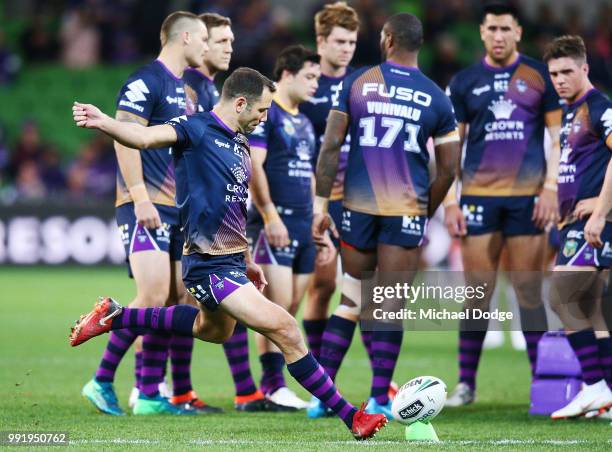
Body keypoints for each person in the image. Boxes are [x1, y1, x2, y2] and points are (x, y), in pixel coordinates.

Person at [69, 67, 388, 440]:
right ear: (240, 103)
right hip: (206, 264)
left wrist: (247, 258)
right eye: (262, 110)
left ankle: (116, 315)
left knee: (213, 330)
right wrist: (105, 122)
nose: (264, 117)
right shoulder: (195, 129)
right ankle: (352, 416)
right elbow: (142, 136)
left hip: (231, 261)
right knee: (286, 328)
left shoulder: (241, 144)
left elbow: (235, 208)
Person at [312, 13, 460, 420]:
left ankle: (323, 396)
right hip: (406, 208)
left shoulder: (356, 83)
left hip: (357, 205)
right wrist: (424, 209)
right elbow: (448, 168)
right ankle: (379, 397)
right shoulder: (437, 97)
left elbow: (330, 147)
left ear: (388, 39)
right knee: (389, 305)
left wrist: (321, 206)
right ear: (419, 44)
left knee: (353, 297)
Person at [81, 11, 211, 416]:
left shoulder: (184, 89)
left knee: (172, 300)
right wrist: (139, 196)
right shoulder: (146, 80)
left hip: (175, 208)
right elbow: (123, 135)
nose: (206, 46)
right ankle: (101, 380)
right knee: (153, 294)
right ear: (184, 37)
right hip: (146, 205)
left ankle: (150, 393)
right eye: (204, 38)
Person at [442, 2, 562, 407]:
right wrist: (450, 201)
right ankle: (465, 384)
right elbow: (450, 149)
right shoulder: (464, 81)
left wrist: (550, 188)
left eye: (505, 29)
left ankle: (541, 383)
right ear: (481, 32)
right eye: (491, 28)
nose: (498, 36)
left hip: (527, 200)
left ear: (518, 33)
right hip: (477, 198)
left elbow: (559, 140)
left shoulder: (540, 76)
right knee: (478, 293)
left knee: (529, 293)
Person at [245, 44, 322, 410]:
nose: (315, 84)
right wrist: (270, 215)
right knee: (276, 309)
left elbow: (308, 174)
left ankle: (276, 385)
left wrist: (318, 217)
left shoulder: (304, 122)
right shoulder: (269, 114)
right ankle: (272, 385)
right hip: (275, 225)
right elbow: (254, 165)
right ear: (286, 75)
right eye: (310, 76)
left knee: (292, 304)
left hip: (304, 225)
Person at [541, 35, 612, 420]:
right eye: (554, 74)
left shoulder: (599, 107)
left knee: (562, 297)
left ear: (585, 68)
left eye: (567, 71)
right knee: (591, 308)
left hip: (593, 223)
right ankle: (605, 397)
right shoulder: (570, 110)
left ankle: (595, 385)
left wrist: (600, 211)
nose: (560, 80)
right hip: (575, 220)